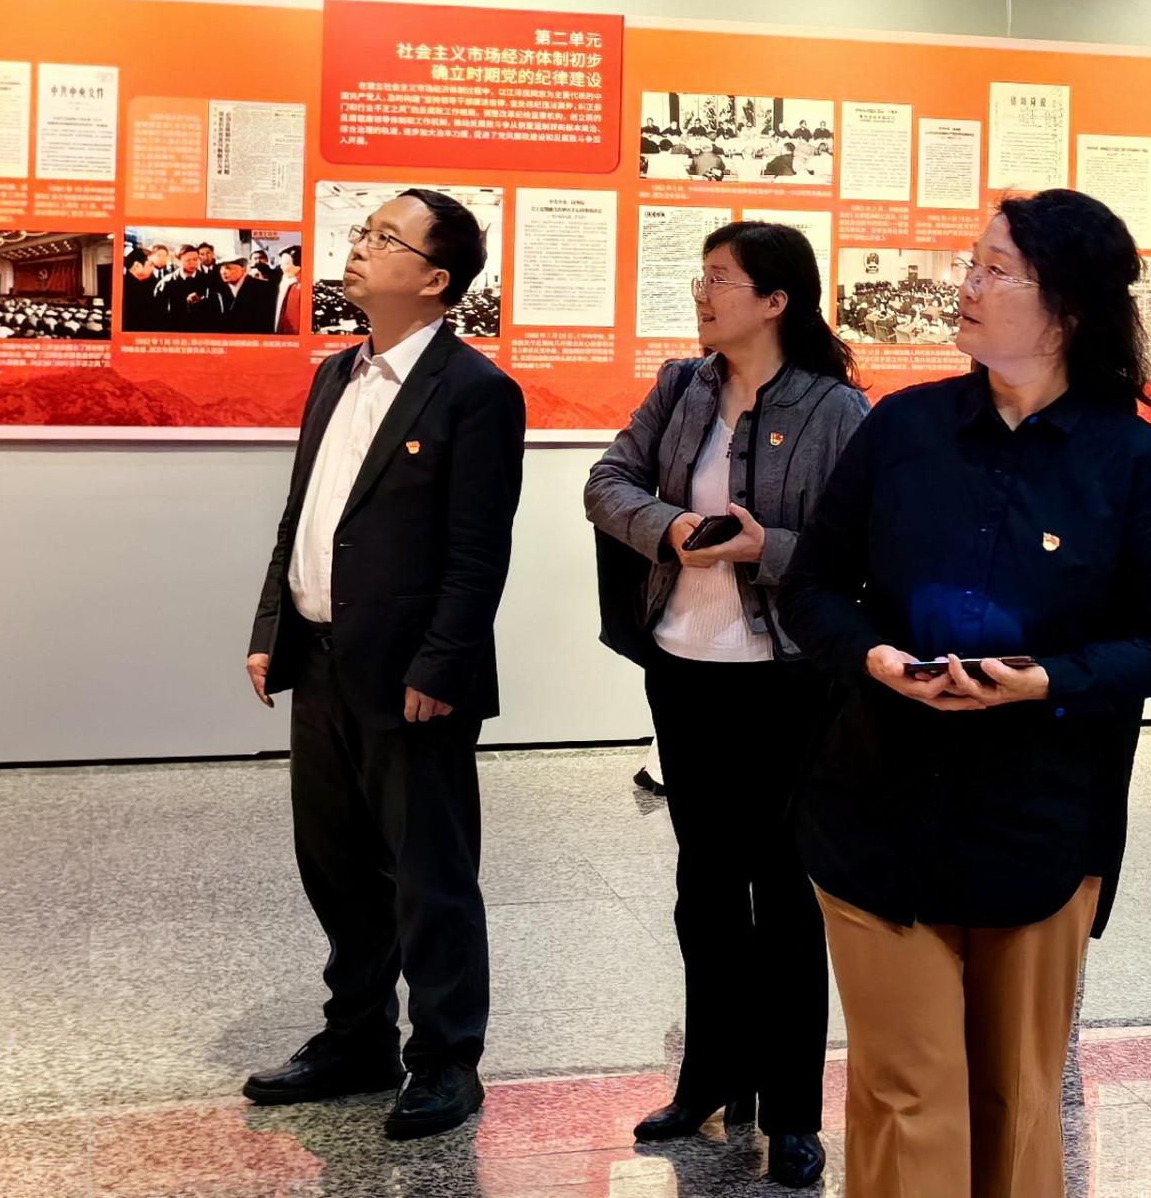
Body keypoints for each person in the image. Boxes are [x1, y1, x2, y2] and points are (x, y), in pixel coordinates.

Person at [780, 192, 1151, 1198]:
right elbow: (812, 585)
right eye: (971, 263)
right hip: (877, 803)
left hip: (1040, 814)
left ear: (1068, 308)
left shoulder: (1133, 460)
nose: (965, 285)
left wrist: (1043, 680)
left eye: (995, 269)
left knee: (1016, 1096)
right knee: (908, 1090)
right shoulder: (903, 427)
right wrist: (876, 658)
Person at [583, 218, 872, 1173]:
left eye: (719, 278)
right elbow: (606, 482)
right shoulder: (683, 386)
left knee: (784, 891)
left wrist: (766, 549)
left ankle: (791, 1110)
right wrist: (672, 529)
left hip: (787, 678)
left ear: (776, 299)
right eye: (701, 276)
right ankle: (710, 1076)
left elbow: (861, 550)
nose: (701, 294)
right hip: (683, 665)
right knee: (703, 885)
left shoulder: (836, 409)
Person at [237, 189, 525, 1145]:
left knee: (429, 874)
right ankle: (357, 1036)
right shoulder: (337, 373)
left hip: (412, 680)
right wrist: (273, 624)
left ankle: (446, 1057)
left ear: (435, 278)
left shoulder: (476, 391)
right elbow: (303, 515)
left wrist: (441, 666)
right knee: (336, 867)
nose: (358, 247)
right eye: (363, 231)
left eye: (383, 237)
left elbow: (479, 553)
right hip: (322, 661)